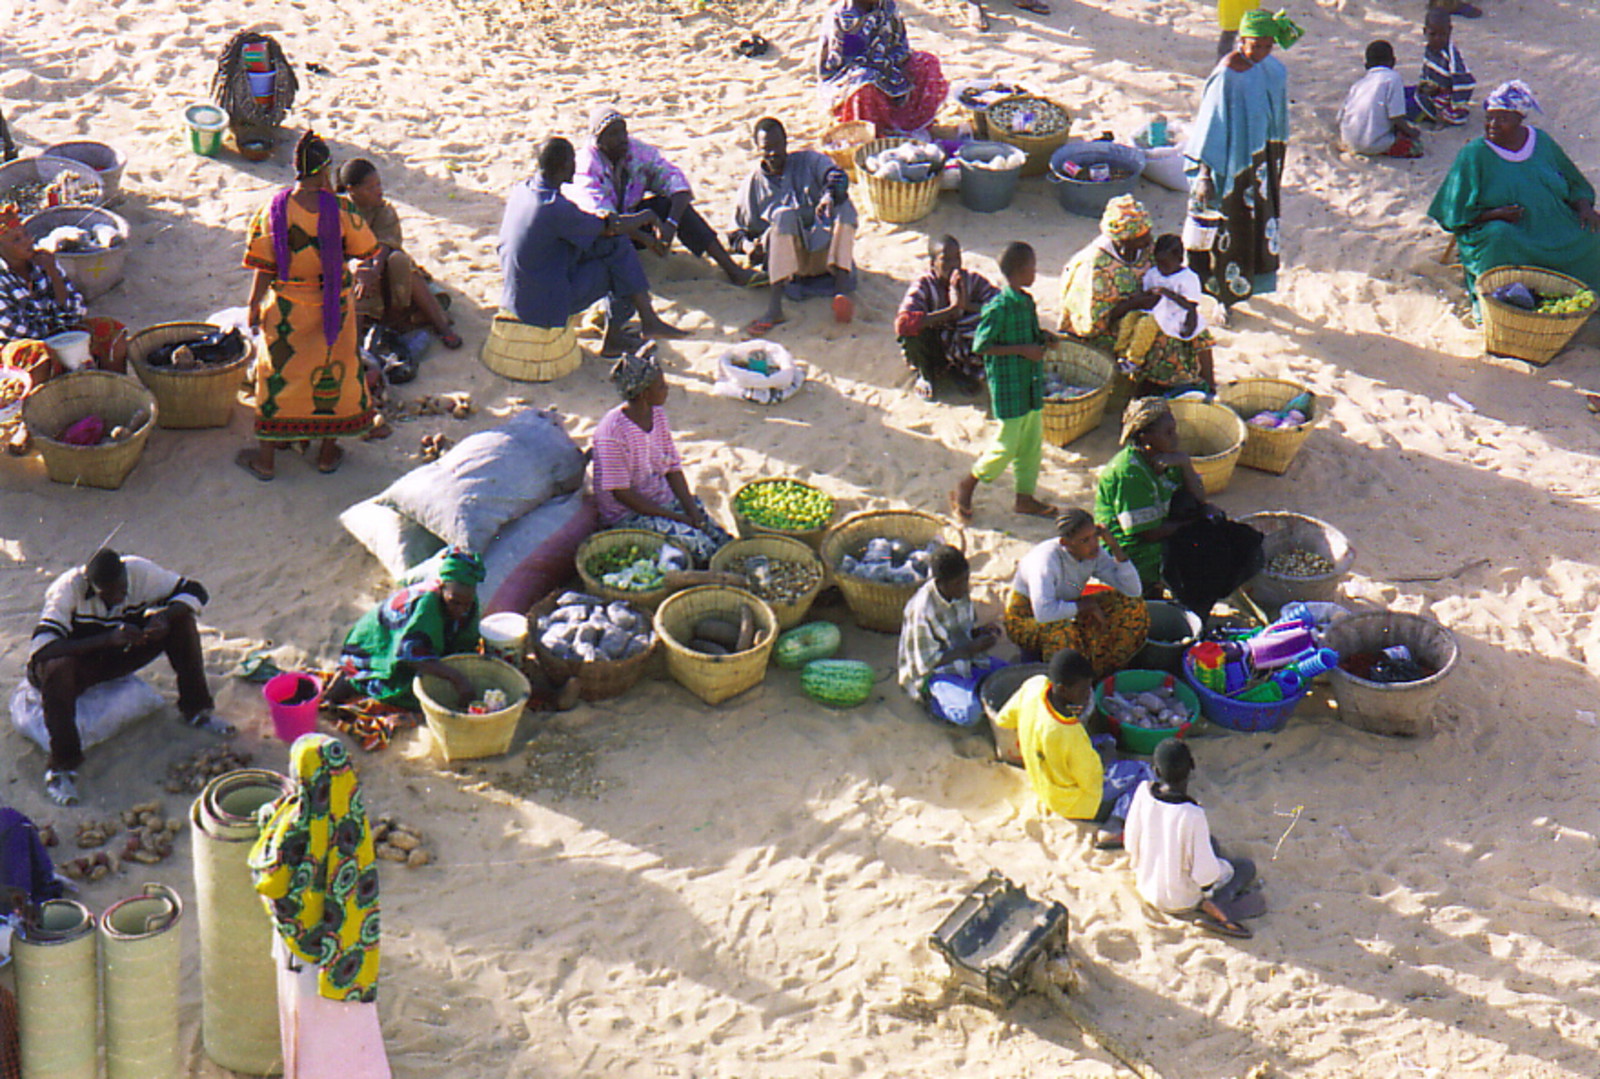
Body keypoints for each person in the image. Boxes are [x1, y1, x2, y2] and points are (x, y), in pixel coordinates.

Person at [28, 549, 233, 806]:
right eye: (109, 594)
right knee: (57, 667)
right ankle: (62, 766)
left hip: (118, 653)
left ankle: (197, 709)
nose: (119, 597)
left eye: (122, 589)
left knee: (183, 622)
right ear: (92, 588)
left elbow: (196, 591)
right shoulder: (67, 590)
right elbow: (42, 650)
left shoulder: (140, 571)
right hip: (80, 664)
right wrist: (106, 639)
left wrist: (163, 617)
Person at [237, 131, 378, 480]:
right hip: (335, 309)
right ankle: (327, 455)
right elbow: (368, 251)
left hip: (287, 308)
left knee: (278, 374)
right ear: (325, 170)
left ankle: (267, 461)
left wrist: (253, 305)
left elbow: (264, 266)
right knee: (338, 371)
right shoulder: (342, 210)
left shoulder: (274, 209)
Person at [250, 734, 390, 1078]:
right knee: (349, 1029)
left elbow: (270, 878)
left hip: (305, 955)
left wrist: (266, 822)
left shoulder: (296, 824)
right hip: (347, 951)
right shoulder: (351, 817)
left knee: (310, 1027)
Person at [497, 136, 687, 360]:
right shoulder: (554, 207)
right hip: (543, 303)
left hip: (517, 290)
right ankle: (621, 334)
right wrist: (647, 217)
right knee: (621, 261)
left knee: (615, 245)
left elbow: (598, 228)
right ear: (564, 166)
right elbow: (610, 227)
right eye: (572, 162)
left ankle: (647, 319)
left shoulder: (525, 189)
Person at [1427, 81, 1600, 309]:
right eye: (1489, 118)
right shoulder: (1474, 154)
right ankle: (1509, 303)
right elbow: (1454, 213)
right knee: (1501, 238)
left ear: (1520, 120)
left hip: (1553, 222)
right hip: (1506, 230)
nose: (1492, 125)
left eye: (1503, 119)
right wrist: (1494, 215)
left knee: (1593, 235)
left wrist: (1585, 207)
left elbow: (1574, 183)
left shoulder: (1541, 141)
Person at [1095, 398, 1262, 614]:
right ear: (1145, 436)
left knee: (1232, 539)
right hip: (1130, 547)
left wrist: (1185, 463)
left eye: (1174, 430)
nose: (1176, 438)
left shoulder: (1167, 459)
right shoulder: (1130, 473)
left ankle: (1191, 599)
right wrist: (1196, 520)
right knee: (1198, 558)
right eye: (1168, 433)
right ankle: (1187, 607)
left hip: (1163, 526)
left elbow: (1199, 498)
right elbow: (1149, 533)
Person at [1184, 9, 1301, 309]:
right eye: (1255, 45)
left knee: (1257, 228)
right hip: (1231, 170)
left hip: (1261, 165)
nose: (1261, 51)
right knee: (1229, 232)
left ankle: (1248, 285)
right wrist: (1205, 176)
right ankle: (1222, 296)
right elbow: (1210, 127)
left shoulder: (1272, 69)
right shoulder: (1226, 77)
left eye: (1267, 45)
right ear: (1241, 40)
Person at [570, 105, 751, 286]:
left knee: (670, 206)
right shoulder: (587, 166)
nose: (622, 139)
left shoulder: (633, 150)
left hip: (631, 223)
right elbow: (606, 221)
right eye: (613, 134)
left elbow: (675, 181)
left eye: (623, 132)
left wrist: (670, 224)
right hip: (599, 236)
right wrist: (645, 237)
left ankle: (732, 269)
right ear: (599, 140)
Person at [992, 648, 1152, 844]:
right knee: (1144, 773)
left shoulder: (1034, 687)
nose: (1087, 694)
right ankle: (1115, 824)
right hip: (1074, 802)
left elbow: (1004, 720)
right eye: (1083, 689)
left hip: (1042, 782)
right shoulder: (1069, 732)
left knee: (1105, 740)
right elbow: (1091, 781)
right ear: (1061, 688)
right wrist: (1105, 760)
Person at [1060, 197, 1217, 395]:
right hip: (1112, 326)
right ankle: (1146, 381)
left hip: (1152, 310)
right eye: (1143, 236)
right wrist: (1134, 304)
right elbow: (1094, 324)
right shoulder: (1096, 265)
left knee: (1199, 332)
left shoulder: (1147, 251)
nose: (1149, 240)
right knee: (1153, 332)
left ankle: (1209, 387)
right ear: (1125, 239)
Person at [592, 349, 732, 565]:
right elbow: (622, 494)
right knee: (702, 547)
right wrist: (678, 518)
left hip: (661, 499)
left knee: (719, 537)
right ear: (642, 394)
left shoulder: (656, 414)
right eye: (661, 386)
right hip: (629, 514)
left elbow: (672, 467)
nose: (666, 390)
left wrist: (691, 510)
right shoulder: (612, 434)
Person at [950, 241, 1056, 524]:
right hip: (1009, 387)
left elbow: (1032, 334)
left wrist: (1044, 338)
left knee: (1031, 443)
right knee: (1006, 445)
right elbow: (981, 345)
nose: (1035, 272)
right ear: (1020, 272)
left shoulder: (1026, 302)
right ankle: (967, 484)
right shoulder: (998, 307)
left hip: (1030, 383)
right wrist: (1022, 349)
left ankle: (1025, 498)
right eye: (1032, 268)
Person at [731, 118, 857, 336]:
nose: (773, 154)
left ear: (786, 144)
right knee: (783, 215)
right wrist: (751, 248)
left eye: (777, 147)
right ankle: (774, 308)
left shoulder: (808, 161)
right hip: (791, 267)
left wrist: (828, 196)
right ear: (758, 150)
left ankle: (841, 292)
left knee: (844, 204)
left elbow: (838, 177)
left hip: (826, 255)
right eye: (766, 149)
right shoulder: (752, 185)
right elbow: (735, 234)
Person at [1124, 738, 1259, 939]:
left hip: (1147, 886)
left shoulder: (1143, 792)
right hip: (1180, 899)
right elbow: (1204, 876)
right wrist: (1209, 889)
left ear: (1157, 771)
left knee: (1210, 843)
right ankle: (1219, 903)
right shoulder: (1192, 814)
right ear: (1191, 768)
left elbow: (1130, 843)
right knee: (1246, 867)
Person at [330, 549, 484, 710]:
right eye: (454, 602)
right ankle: (347, 684)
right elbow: (411, 655)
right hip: (377, 648)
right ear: (441, 588)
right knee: (413, 696)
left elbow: (466, 640)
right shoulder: (427, 604)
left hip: (412, 641)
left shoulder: (468, 601)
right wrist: (457, 678)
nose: (461, 610)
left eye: (466, 603)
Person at [1003, 509, 1149, 676]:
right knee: (1061, 632)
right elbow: (1044, 613)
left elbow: (1133, 590)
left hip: (1069, 605)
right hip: (1027, 616)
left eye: (1095, 536)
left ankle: (1103, 671)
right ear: (1065, 543)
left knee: (1131, 605)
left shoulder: (1093, 553)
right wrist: (1085, 606)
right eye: (1085, 540)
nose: (1094, 544)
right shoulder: (1045, 562)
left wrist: (1114, 546)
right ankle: (1065, 684)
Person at [336, 158, 462, 352]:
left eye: (378, 184)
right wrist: (358, 268)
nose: (378, 190)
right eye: (370, 188)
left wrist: (374, 270)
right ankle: (355, 345)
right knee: (359, 281)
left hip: (384, 269)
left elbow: (386, 246)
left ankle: (441, 326)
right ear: (352, 190)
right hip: (353, 270)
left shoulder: (383, 211)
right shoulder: (340, 212)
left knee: (401, 262)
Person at [0, 203, 128, 392]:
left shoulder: (43, 262)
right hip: (19, 348)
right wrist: (60, 333)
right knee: (38, 354)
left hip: (56, 332)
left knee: (112, 332)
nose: (27, 241)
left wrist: (52, 272)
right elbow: (20, 332)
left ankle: (115, 394)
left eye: (26, 234)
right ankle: (43, 411)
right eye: (16, 240)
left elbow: (76, 311)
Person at [897, 544, 1002, 726]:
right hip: (935, 672)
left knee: (1014, 678)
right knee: (970, 713)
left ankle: (974, 689)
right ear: (940, 583)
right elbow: (927, 662)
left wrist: (982, 632)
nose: (964, 587)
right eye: (959, 583)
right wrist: (969, 649)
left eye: (966, 579)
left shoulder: (959, 592)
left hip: (967, 658)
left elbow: (962, 630)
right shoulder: (921, 611)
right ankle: (935, 703)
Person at [816, 0, 948, 137]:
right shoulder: (844, 17)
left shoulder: (887, 6)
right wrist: (877, 70)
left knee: (927, 63)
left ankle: (912, 125)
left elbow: (899, 44)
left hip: (888, 66)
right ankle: (876, 134)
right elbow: (843, 61)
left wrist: (891, 66)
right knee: (864, 83)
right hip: (851, 75)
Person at [894, 235, 999, 400]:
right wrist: (951, 310)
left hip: (963, 348)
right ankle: (926, 375)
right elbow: (903, 324)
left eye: (957, 258)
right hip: (932, 348)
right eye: (946, 260)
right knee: (913, 331)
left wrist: (967, 306)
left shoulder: (971, 280)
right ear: (932, 264)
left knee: (990, 323)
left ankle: (957, 371)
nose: (953, 265)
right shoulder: (924, 285)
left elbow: (1001, 306)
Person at [1139, 235, 1215, 393]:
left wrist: (1169, 294)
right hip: (1159, 314)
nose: (1162, 268)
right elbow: (1146, 296)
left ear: (1179, 259)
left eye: (1165, 264)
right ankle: (1158, 381)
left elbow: (1191, 306)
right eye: (1159, 263)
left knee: (1201, 340)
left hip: (1183, 315)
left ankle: (1209, 383)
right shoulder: (1154, 274)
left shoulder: (1189, 278)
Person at [1338, 41, 1423, 159]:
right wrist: (1411, 132)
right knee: (1416, 147)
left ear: (1366, 66)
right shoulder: (1393, 78)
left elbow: (1341, 116)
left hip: (1348, 140)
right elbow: (1396, 116)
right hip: (1372, 143)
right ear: (1393, 61)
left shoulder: (1358, 85)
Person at [1411, 6, 1474, 127]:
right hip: (1432, 93)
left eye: (1442, 34)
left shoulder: (1451, 56)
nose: (1437, 39)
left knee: (1408, 108)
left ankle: (1428, 116)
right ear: (1425, 32)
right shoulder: (1430, 49)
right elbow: (1427, 71)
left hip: (1443, 103)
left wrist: (1454, 108)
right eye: (1432, 34)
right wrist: (1425, 85)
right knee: (1402, 93)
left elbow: (1466, 83)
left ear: (1449, 31)